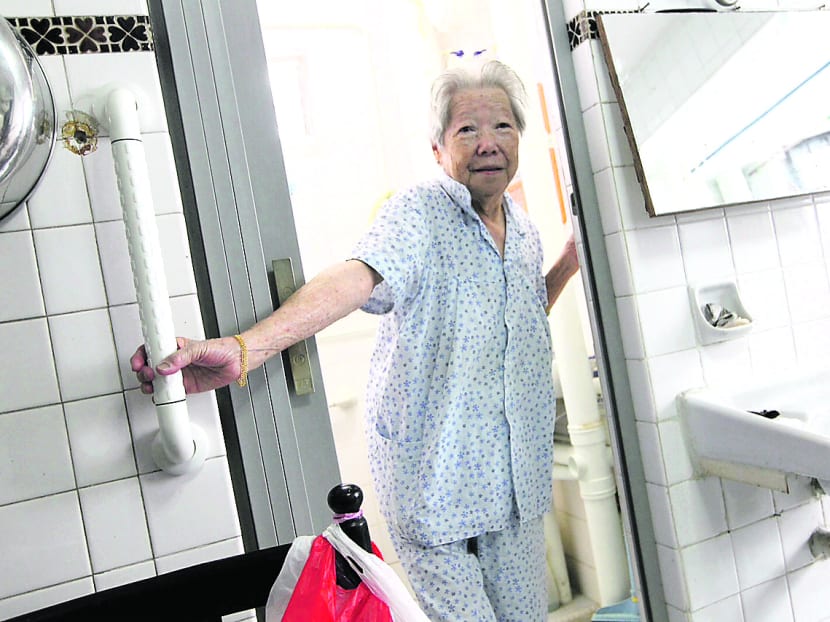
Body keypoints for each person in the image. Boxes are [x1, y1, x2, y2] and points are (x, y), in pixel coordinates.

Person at [131, 59, 579, 622]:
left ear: (521, 140)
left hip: (512, 480)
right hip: (436, 481)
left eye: (503, 127)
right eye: (468, 129)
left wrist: (566, 262)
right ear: (438, 149)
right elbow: (358, 275)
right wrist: (249, 348)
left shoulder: (525, 227)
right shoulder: (418, 214)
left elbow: (521, 317)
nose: (488, 142)